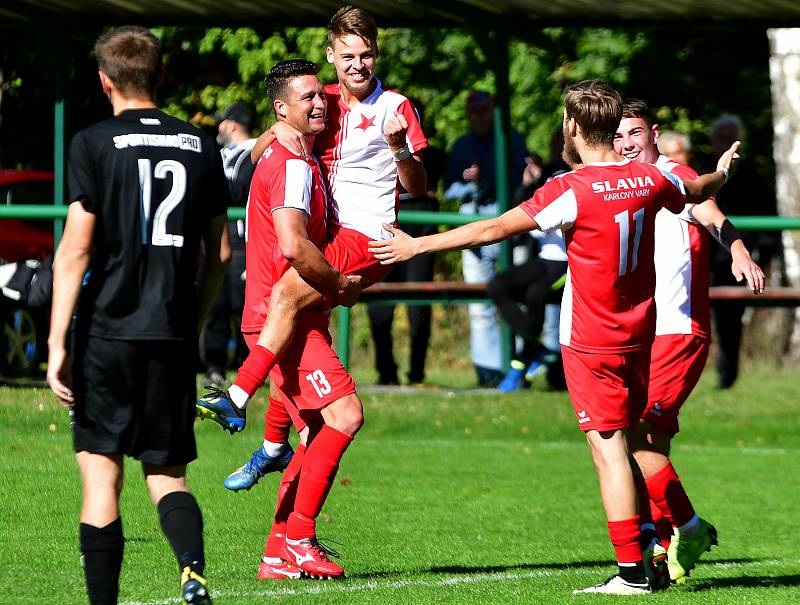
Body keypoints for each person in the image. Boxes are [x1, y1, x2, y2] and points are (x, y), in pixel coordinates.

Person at [369, 79, 741, 595]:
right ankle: (688, 530)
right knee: (633, 440)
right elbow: (698, 190)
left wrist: (420, 245)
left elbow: (493, 229)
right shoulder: (650, 178)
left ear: (572, 126)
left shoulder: (570, 188)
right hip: (640, 337)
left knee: (608, 453)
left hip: (592, 342)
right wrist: (723, 171)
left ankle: (632, 573)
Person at [196, 6, 427, 489]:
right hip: (327, 234)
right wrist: (271, 136)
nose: (358, 65)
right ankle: (276, 449)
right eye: (348, 56)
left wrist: (400, 149)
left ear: (377, 53)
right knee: (297, 326)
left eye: (366, 54)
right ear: (331, 55)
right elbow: (267, 148)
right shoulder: (318, 101)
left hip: (366, 236)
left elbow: (419, 186)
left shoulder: (396, 107)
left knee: (283, 298)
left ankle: (237, 396)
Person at [45, 26, 231, 605]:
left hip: (107, 329)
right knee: (167, 474)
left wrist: (55, 345)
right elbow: (221, 253)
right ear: (162, 77)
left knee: (102, 476)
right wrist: (193, 320)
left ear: (105, 82)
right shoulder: (202, 145)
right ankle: (192, 572)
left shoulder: (93, 142)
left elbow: (75, 249)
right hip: (170, 330)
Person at [613, 99, 764, 582]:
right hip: (640, 332)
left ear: (653, 133)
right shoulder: (619, 182)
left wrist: (738, 251)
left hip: (678, 330)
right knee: (649, 440)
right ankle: (662, 542)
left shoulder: (671, 173)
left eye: (634, 133)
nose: (626, 144)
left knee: (635, 432)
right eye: (617, 136)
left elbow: (711, 212)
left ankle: (686, 526)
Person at [235, 58, 368, 581]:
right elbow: (293, 247)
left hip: (288, 317)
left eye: (321, 95)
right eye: (306, 97)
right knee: (345, 416)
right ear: (281, 108)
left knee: (317, 431)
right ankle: (301, 539)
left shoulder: (293, 151)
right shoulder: (291, 164)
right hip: (280, 319)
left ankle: (277, 551)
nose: (319, 103)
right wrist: (340, 285)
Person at [443, 90, 529, 387]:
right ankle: (489, 370)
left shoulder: (510, 139)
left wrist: (495, 180)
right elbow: (449, 190)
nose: (479, 117)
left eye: (484, 111)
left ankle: (521, 365)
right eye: (474, 112)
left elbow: (523, 181)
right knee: (480, 304)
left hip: (509, 229)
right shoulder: (462, 146)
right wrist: (469, 184)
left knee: (517, 299)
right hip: (475, 232)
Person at [698, 114, 780, 388]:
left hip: (732, 261)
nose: (724, 143)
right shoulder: (698, 172)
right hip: (697, 256)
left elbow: (769, 224)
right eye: (720, 137)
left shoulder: (753, 180)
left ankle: (726, 376)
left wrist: (761, 258)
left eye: (729, 138)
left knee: (730, 321)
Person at [367, 102, 444, 385]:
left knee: (418, 302)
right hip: (385, 224)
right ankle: (385, 371)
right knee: (379, 301)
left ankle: (417, 372)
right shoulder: (371, 148)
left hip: (419, 227)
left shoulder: (431, 154)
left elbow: (423, 184)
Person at [491, 155, 569, 393]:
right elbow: (516, 217)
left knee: (536, 293)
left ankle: (521, 365)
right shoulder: (544, 191)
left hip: (567, 263)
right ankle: (536, 349)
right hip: (544, 259)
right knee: (498, 284)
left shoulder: (576, 193)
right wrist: (527, 186)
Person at [201, 102, 256, 387]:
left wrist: (209, 191)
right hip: (217, 235)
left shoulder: (255, 153)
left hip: (243, 240)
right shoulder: (219, 154)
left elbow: (237, 193)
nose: (218, 127)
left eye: (222, 122)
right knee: (215, 305)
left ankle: (249, 371)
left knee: (242, 306)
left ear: (232, 124)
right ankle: (213, 366)